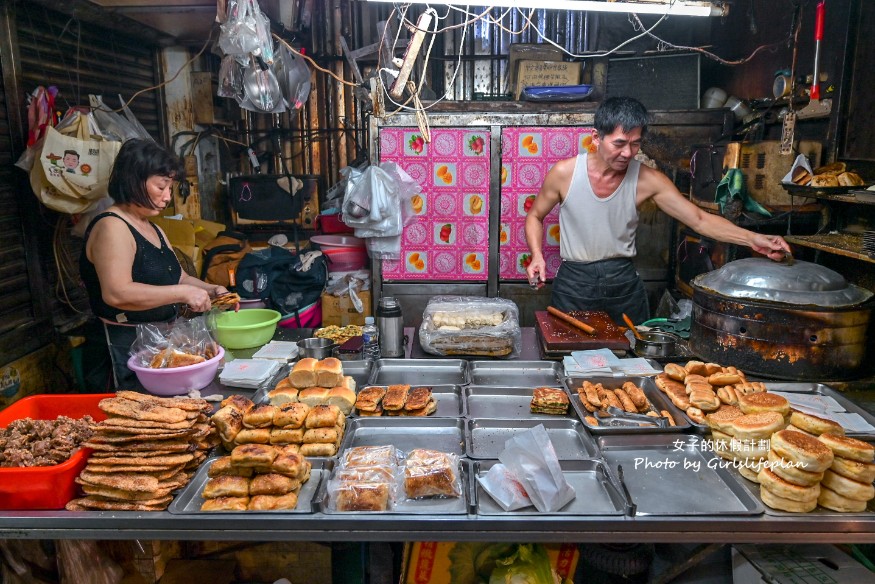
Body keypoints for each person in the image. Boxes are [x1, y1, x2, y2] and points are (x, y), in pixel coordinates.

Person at [525, 97, 790, 325]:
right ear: (596, 138)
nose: (628, 153)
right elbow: (535, 216)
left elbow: (698, 219)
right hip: (574, 283)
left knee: (630, 357)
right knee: (567, 354)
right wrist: (537, 255)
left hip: (623, 282)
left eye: (635, 143)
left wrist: (754, 240)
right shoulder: (564, 174)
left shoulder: (649, 179)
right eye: (619, 143)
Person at [80, 139, 228, 388]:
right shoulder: (112, 227)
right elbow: (116, 293)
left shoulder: (153, 228)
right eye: (161, 187)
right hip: (122, 347)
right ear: (134, 180)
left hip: (159, 342)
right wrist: (182, 294)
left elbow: (178, 277)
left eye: (170, 187)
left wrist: (209, 290)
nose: (167, 197)